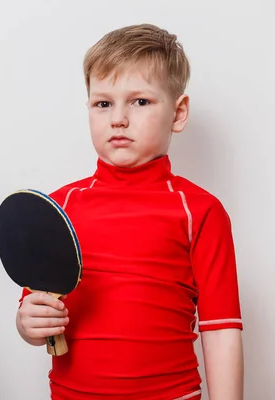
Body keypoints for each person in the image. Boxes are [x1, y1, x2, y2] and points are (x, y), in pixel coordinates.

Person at [16, 23, 243, 399]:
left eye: (140, 101)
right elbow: (34, 313)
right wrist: (27, 323)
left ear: (179, 112)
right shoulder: (58, 208)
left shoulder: (200, 211)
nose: (118, 118)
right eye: (103, 103)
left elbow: (221, 331)